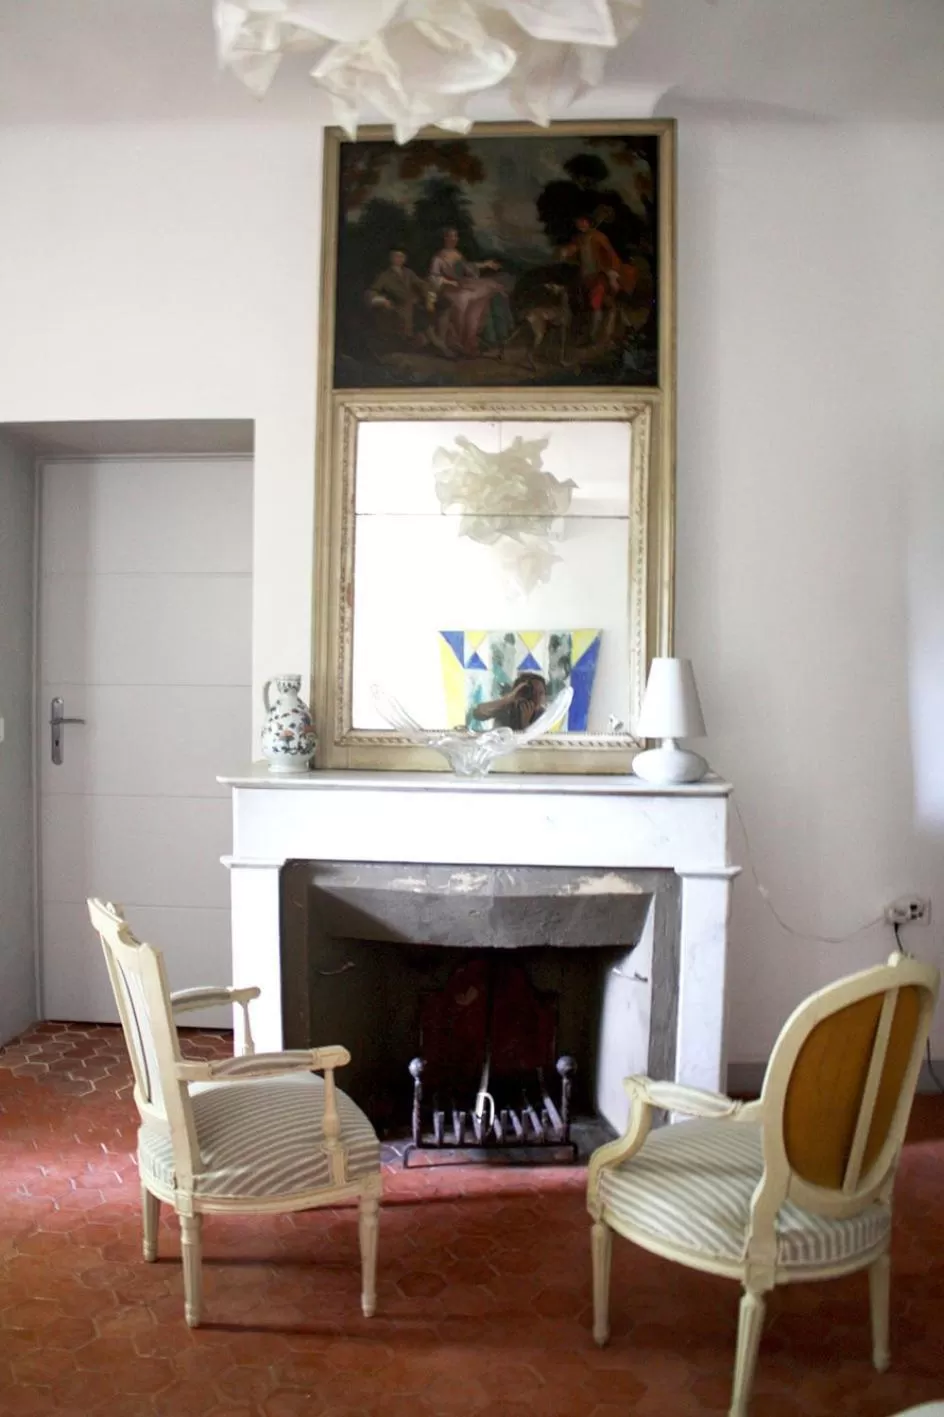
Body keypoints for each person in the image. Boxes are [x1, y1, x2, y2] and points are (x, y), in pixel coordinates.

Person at [428, 228, 513, 357]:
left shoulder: (457, 254)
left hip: (462, 285)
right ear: (445, 238)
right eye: (450, 236)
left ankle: (474, 340)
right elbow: (434, 276)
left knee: (484, 294)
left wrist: (485, 265)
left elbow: (468, 267)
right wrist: (450, 282)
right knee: (463, 300)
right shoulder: (438, 257)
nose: (453, 239)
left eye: (455, 236)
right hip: (449, 289)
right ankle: (459, 342)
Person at [559, 214, 638, 344]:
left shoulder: (599, 237)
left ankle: (593, 336)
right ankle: (620, 328)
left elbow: (611, 255)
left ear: (589, 222)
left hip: (600, 276)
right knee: (599, 303)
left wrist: (613, 273)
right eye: (579, 222)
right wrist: (565, 251)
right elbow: (573, 249)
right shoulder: (579, 238)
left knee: (597, 303)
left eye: (583, 221)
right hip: (586, 277)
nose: (581, 224)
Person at [366, 248, 430, 343]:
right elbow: (373, 291)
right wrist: (382, 301)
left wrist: (428, 292)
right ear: (391, 258)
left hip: (411, 303)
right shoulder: (385, 275)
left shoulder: (408, 273)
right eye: (396, 256)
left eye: (402, 257)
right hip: (396, 305)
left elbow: (421, 284)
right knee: (406, 311)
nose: (399, 259)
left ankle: (429, 339)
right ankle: (407, 338)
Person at [471, 673, 548, 732]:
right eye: (531, 693)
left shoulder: (544, 715)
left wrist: (525, 723)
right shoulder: (508, 709)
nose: (536, 697)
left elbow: (535, 745)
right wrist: (507, 699)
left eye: (541, 693)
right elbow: (478, 713)